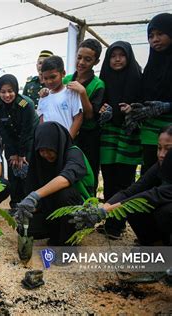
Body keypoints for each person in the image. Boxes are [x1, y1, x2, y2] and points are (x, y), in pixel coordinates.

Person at [77, 125, 172, 246]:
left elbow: (152, 195)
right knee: (132, 207)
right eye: (159, 148)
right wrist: (101, 209)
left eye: (168, 149)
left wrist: (104, 212)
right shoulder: (160, 166)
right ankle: (155, 246)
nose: (162, 154)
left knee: (165, 212)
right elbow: (131, 191)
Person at [14, 122, 94, 246]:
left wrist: (35, 196)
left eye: (50, 150)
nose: (46, 154)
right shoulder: (40, 160)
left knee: (65, 193)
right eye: (42, 150)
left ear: (58, 144)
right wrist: (28, 208)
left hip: (79, 212)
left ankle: (68, 243)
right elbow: (34, 185)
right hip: (52, 210)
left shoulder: (74, 153)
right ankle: (57, 232)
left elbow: (66, 178)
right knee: (25, 228)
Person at [98, 41, 143, 239]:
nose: (117, 59)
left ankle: (118, 225)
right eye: (113, 56)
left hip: (128, 134)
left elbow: (145, 101)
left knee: (125, 180)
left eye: (121, 55)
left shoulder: (138, 77)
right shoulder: (104, 77)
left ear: (129, 57)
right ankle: (110, 220)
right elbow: (98, 102)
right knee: (109, 178)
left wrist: (133, 109)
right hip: (108, 134)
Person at [124, 13, 172, 173]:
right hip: (150, 134)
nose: (155, 40)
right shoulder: (151, 67)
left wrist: (167, 106)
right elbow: (144, 96)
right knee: (150, 173)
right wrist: (135, 111)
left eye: (160, 34)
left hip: (169, 133)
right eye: (151, 36)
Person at [63, 39, 105, 193]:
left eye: (88, 59)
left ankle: (89, 206)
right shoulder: (66, 79)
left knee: (88, 171)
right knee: (68, 169)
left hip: (89, 137)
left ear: (96, 61)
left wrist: (82, 92)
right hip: (69, 132)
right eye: (79, 57)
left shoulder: (98, 84)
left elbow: (89, 116)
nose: (81, 62)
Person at [0, 74, 39, 206]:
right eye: (3, 92)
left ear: (16, 90)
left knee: (26, 172)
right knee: (13, 171)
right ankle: (14, 203)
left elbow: (27, 131)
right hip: (10, 141)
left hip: (29, 140)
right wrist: (13, 153)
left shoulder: (26, 104)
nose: (7, 95)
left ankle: (27, 203)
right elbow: (3, 132)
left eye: (10, 91)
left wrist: (21, 154)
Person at [38, 56, 83, 138]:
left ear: (63, 73)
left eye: (53, 77)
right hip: (48, 144)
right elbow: (41, 122)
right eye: (45, 78)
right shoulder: (43, 96)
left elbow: (78, 119)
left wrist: (68, 141)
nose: (49, 81)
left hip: (66, 143)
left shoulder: (71, 92)